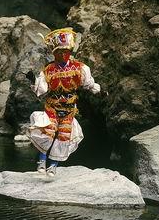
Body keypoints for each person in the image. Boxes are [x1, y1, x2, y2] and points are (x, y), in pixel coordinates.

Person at [26, 27, 103, 177]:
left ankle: (53, 166)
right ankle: (41, 161)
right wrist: (33, 80)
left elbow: (88, 84)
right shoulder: (48, 70)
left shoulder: (80, 68)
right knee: (47, 132)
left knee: (63, 136)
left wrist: (99, 91)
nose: (62, 54)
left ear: (69, 51)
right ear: (54, 53)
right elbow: (42, 89)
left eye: (65, 51)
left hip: (68, 109)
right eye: (58, 52)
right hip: (52, 107)